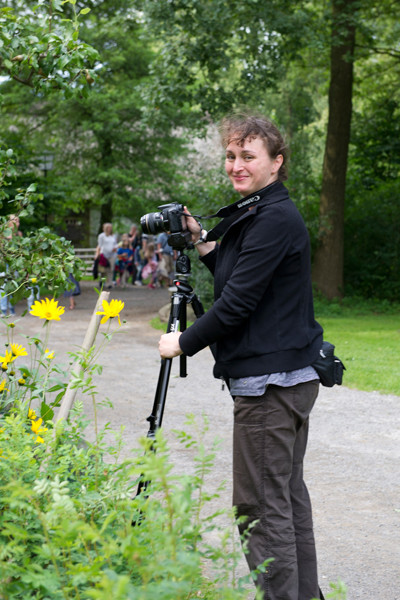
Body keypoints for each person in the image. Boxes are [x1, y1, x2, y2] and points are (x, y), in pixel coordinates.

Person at [158, 113, 324, 600]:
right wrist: (201, 243)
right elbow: (241, 275)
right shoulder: (260, 211)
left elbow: (235, 305)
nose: (236, 165)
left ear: (276, 162)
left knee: (260, 509)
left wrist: (182, 342)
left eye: (248, 156)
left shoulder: (272, 217)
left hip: (271, 386)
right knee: (285, 502)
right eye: (231, 156)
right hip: (285, 379)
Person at [0, 215, 22, 317]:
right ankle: (3, 309)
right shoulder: (2, 234)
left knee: (13, 286)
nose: (17, 223)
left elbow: (21, 250)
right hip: (4, 264)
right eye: (15, 220)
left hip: (14, 264)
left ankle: (12, 308)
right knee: (3, 286)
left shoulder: (19, 234)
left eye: (18, 221)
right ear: (8, 222)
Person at [94, 222, 117, 289]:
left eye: (111, 228)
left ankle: (110, 283)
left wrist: (115, 248)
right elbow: (99, 245)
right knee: (103, 270)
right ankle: (102, 281)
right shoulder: (101, 236)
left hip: (112, 255)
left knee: (111, 269)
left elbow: (115, 244)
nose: (110, 229)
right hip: (104, 255)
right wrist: (97, 254)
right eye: (108, 228)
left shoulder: (113, 236)